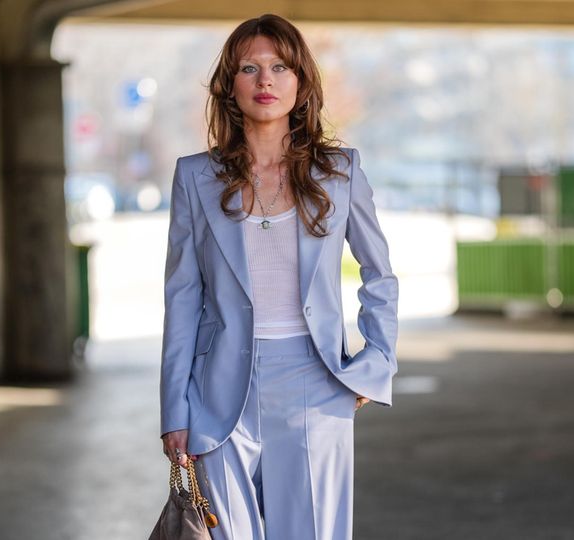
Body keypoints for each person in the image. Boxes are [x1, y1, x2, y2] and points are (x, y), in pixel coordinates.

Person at [159, 13, 398, 540]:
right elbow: (182, 297)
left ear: (301, 82)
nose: (265, 80)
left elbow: (379, 274)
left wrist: (375, 362)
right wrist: (173, 408)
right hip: (219, 392)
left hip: (315, 381)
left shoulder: (341, 172)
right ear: (230, 86)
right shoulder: (195, 177)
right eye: (250, 67)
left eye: (280, 67)